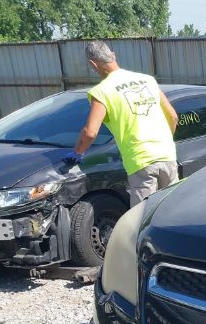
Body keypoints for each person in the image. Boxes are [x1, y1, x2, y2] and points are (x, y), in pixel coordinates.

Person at [65, 40, 179, 206]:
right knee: (171, 210)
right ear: (113, 55)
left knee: (141, 218)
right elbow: (173, 117)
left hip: (141, 162)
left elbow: (90, 132)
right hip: (168, 156)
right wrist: (164, 142)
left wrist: (77, 153)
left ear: (92, 64)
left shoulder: (102, 91)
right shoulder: (147, 80)